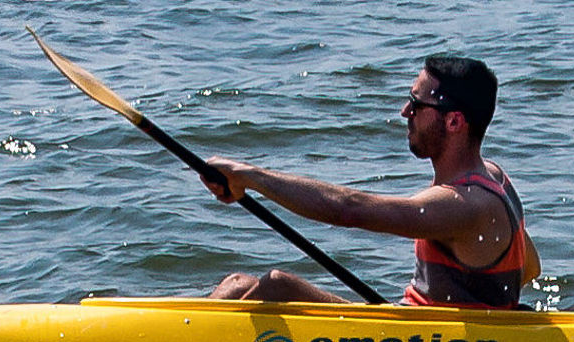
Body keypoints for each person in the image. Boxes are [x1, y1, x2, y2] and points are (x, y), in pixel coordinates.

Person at [201, 55, 538, 308]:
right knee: (235, 285)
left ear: (453, 121)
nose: (405, 111)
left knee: (277, 286)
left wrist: (249, 176)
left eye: (418, 105)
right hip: (418, 331)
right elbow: (529, 267)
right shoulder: (494, 177)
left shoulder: (467, 204)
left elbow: (348, 209)